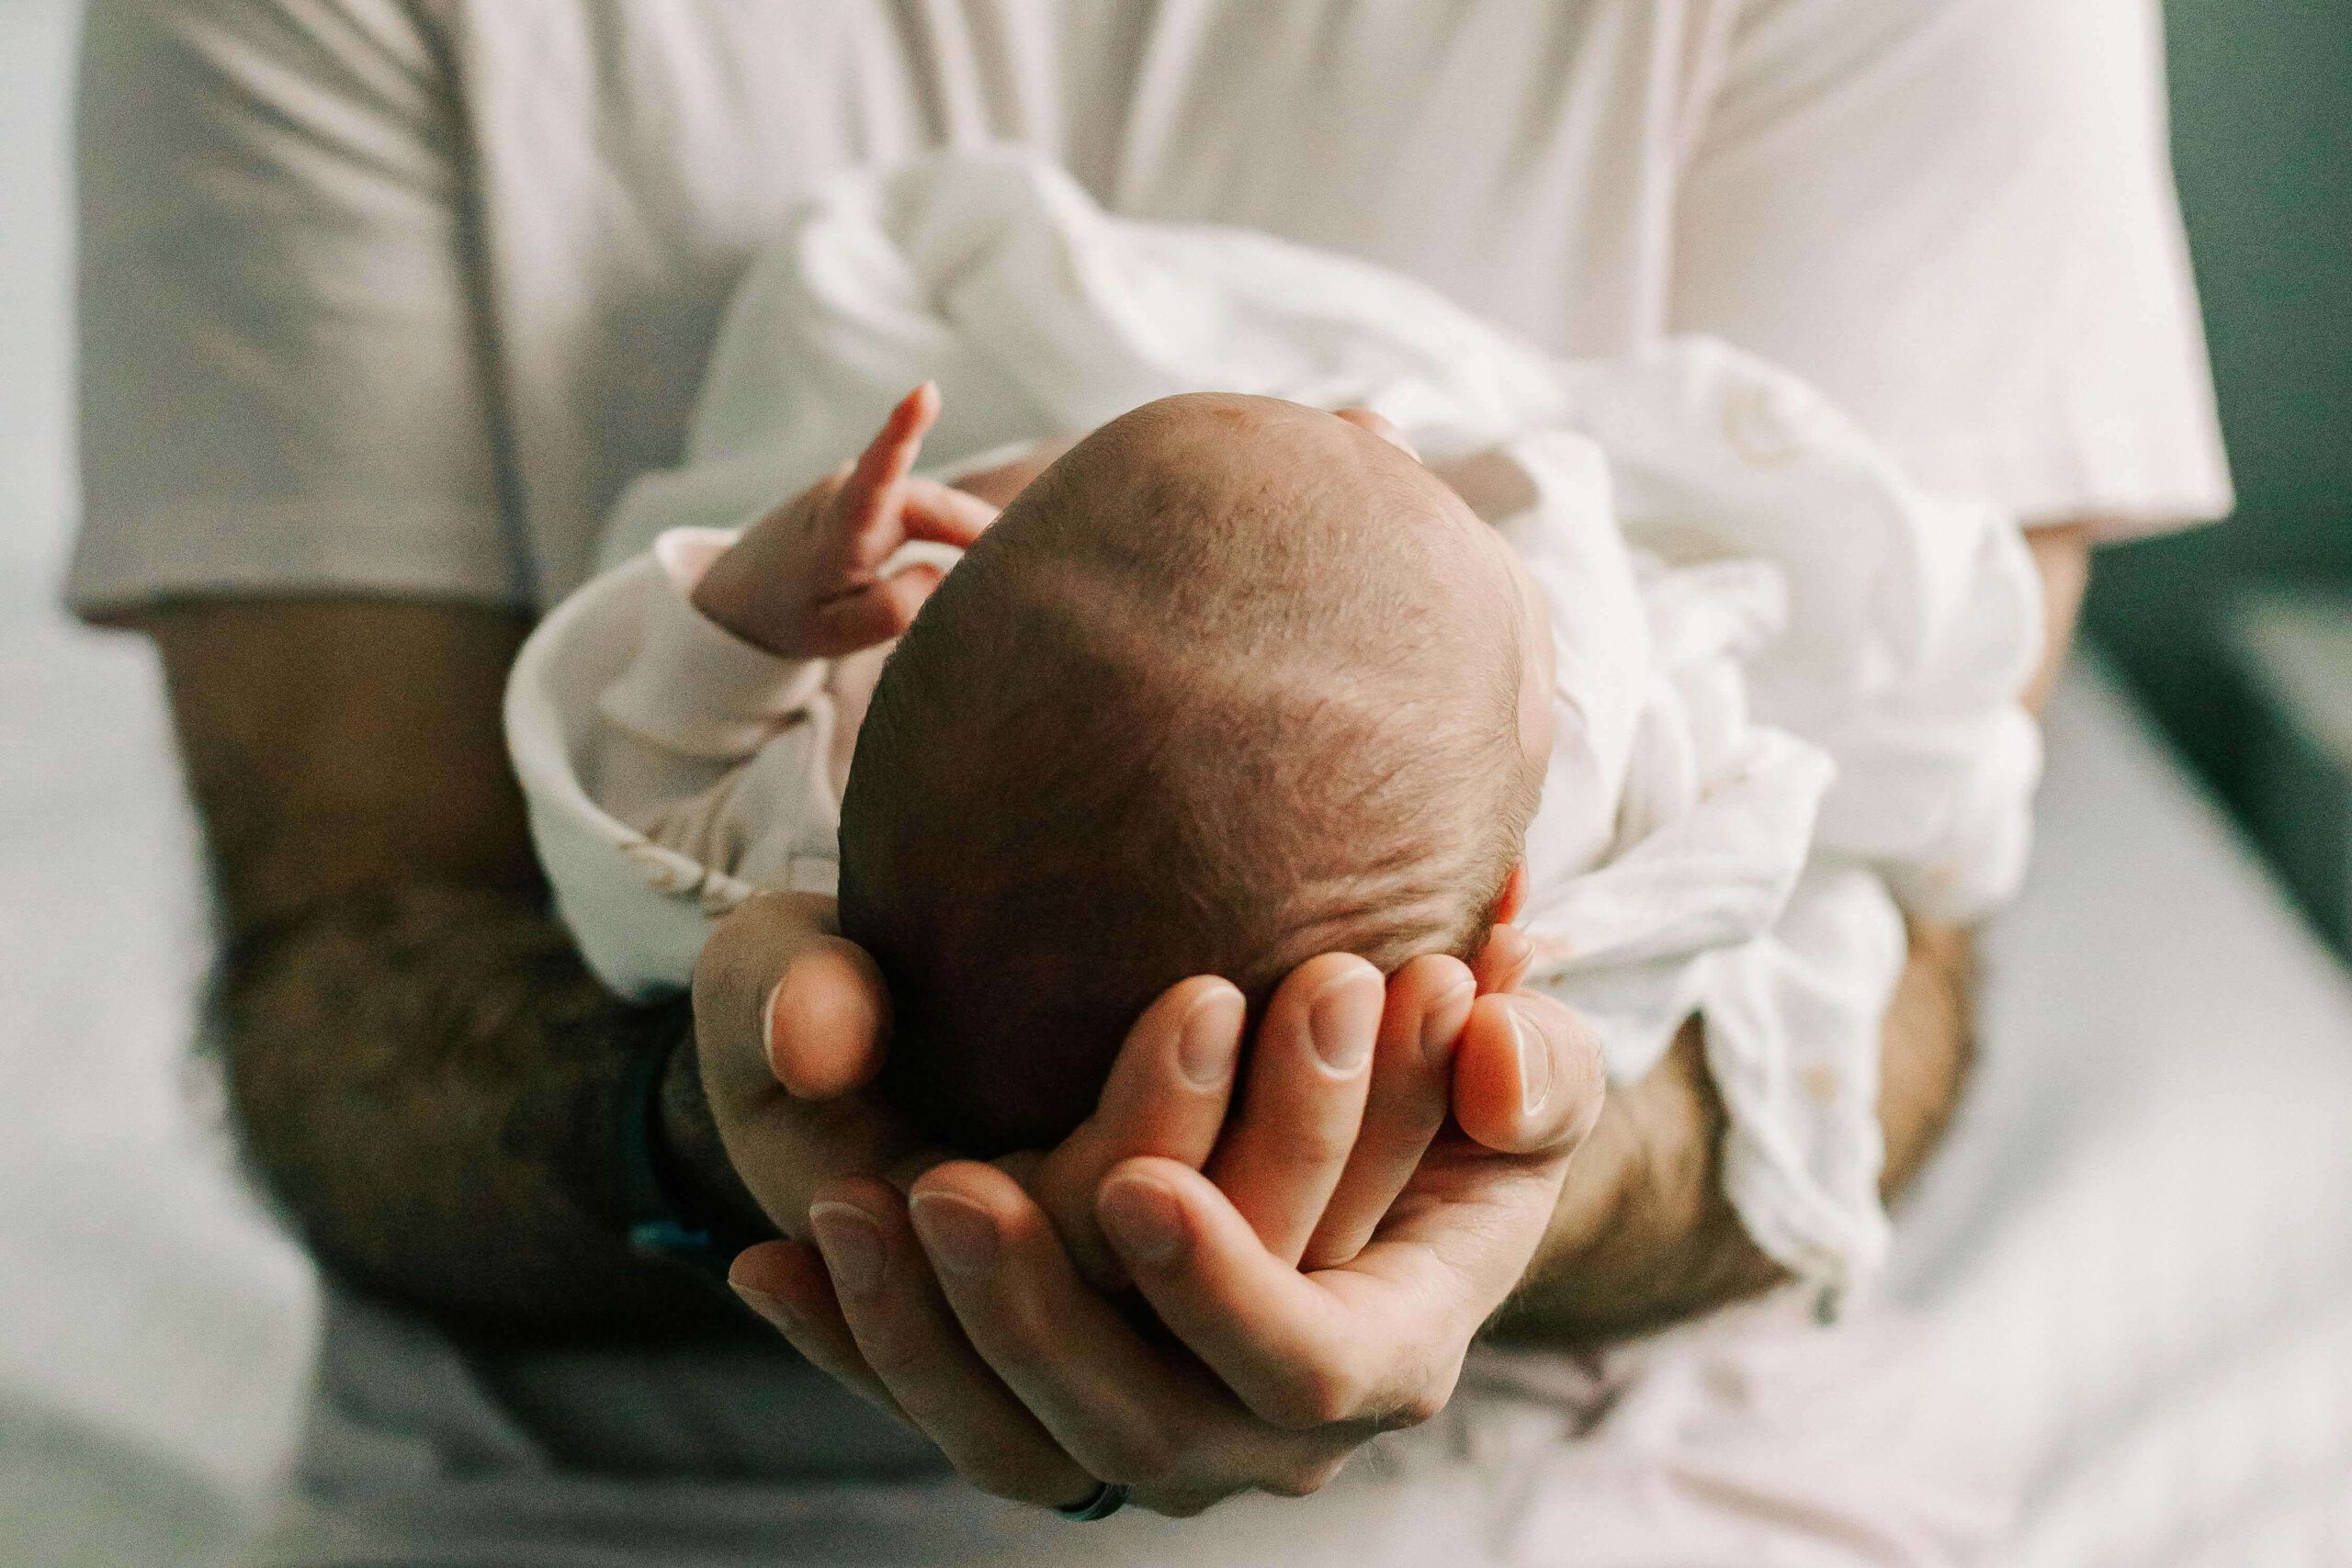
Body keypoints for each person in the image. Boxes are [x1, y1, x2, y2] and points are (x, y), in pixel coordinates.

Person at [72, 0, 2229, 1559]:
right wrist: (746, 1147)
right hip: (605, 1471)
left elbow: (1876, 944)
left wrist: (1490, 1173)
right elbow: (358, 962)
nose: (1381, 423)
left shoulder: (753, 824)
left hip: (1602, 1466)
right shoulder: (794, 863)